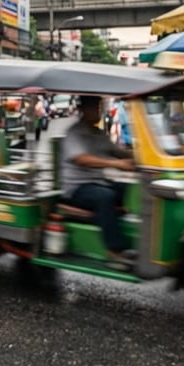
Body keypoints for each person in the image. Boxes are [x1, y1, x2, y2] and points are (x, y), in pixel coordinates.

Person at [59, 96, 135, 265]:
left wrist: (137, 156)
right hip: (76, 188)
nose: (100, 111)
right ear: (84, 109)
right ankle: (114, 250)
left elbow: (117, 151)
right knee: (105, 197)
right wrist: (117, 164)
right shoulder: (74, 133)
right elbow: (82, 159)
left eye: (100, 107)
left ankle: (125, 234)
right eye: (96, 107)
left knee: (128, 189)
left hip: (96, 183)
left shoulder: (99, 133)